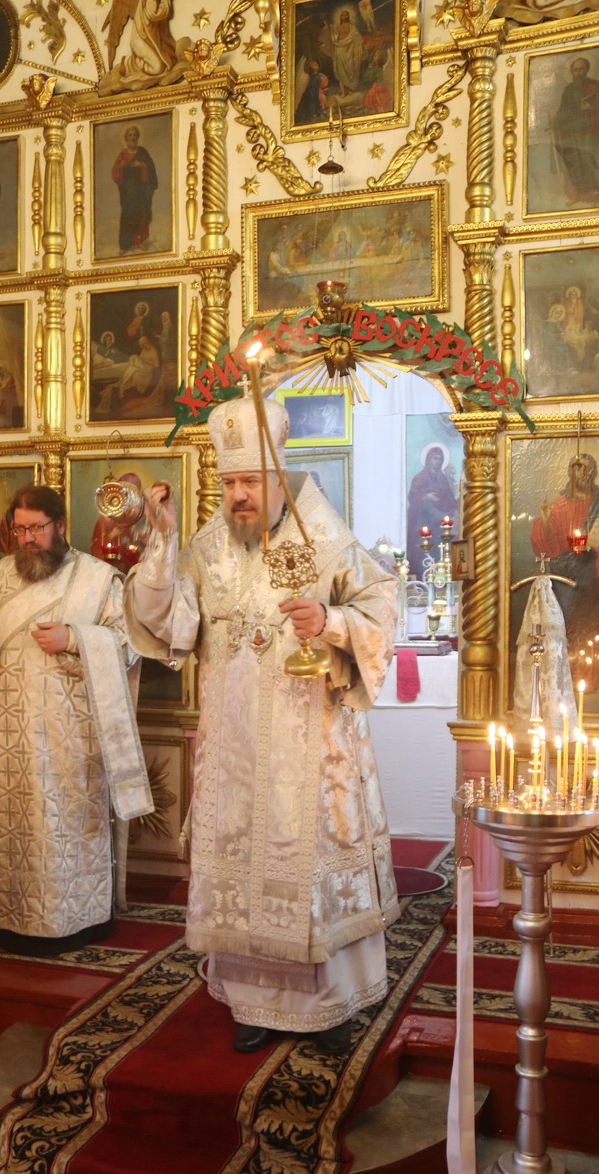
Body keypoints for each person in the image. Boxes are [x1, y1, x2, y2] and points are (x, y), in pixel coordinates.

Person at [124, 396, 400, 1055]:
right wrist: (161, 543)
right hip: (234, 749)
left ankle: (330, 1004)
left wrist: (330, 622)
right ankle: (252, 1001)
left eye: (249, 482)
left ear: (278, 476)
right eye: (229, 484)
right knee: (241, 868)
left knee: (307, 871)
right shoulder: (208, 545)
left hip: (312, 744)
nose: (238, 496)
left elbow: (383, 609)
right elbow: (170, 624)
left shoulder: (325, 537)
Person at [0, 484, 152, 955]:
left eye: (37, 528)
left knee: (69, 824)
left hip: (73, 730)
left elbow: (129, 644)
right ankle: (13, 920)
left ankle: (79, 919)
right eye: (20, 529)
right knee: (18, 824)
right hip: (16, 726)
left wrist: (75, 638)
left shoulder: (98, 578)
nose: (27, 538)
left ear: (60, 525)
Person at [530, 452, 599, 657]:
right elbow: (545, 547)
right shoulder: (558, 506)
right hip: (566, 577)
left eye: (588, 469)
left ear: (595, 473)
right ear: (570, 472)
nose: (584, 473)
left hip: (597, 576)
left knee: (594, 627)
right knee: (568, 624)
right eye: (579, 468)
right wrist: (546, 521)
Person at [551, 56, 599, 205]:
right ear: (572, 72)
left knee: (590, 159)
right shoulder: (568, 90)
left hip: (590, 131)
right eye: (575, 70)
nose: (578, 72)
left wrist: (591, 107)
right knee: (574, 161)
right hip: (573, 132)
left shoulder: (594, 86)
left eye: (581, 69)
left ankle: (597, 193)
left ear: (587, 69)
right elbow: (563, 110)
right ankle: (578, 193)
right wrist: (554, 121)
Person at [406, 445, 459, 580]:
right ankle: (424, 578)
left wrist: (455, 505)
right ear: (428, 460)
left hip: (439, 525)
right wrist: (425, 497)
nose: (438, 461)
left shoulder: (443, 478)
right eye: (435, 458)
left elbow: (448, 497)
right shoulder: (419, 478)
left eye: (440, 459)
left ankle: (440, 576)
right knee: (425, 552)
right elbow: (413, 497)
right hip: (423, 521)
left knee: (438, 550)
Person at [111, 125, 158, 255]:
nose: (132, 137)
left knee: (141, 213)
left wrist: (141, 165)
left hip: (141, 191)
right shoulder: (123, 154)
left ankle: (139, 241)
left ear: (138, 137)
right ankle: (125, 245)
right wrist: (121, 166)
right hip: (127, 193)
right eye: (130, 135)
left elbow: (151, 167)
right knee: (127, 215)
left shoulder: (143, 152)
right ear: (126, 138)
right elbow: (114, 171)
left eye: (134, 135)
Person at [319, 7, 365, 96]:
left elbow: (358, 38)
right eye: (343, 15)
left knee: (351, 69)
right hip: (339, 50)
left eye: (346, 15)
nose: (345, 16)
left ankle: (351, 89)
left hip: (349, 50)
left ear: (348, 16)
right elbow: (329, 29)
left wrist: (360, 46)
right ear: (341, 17)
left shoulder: (352, 27)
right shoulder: (337, 27)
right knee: (340, 72)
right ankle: (343, 91)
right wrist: (324, 19)